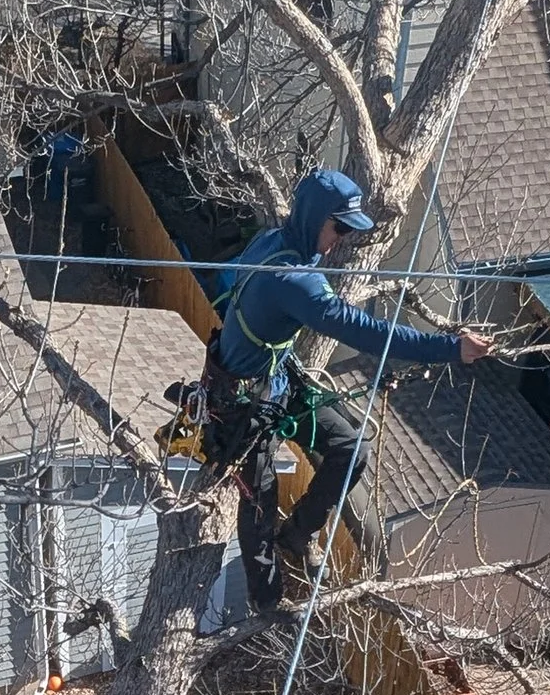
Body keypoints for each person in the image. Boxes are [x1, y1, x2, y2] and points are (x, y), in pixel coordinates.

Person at [205, 167, 489, 612]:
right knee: (259, 500)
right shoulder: (294, 279)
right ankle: (267, 600)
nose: (340, 239)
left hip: (275, 379)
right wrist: (451, 348)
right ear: (314, 218)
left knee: (352, 445)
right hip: (243, 400)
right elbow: (366, 332)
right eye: (337, 227)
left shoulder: (276, 241)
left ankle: (298, 533)